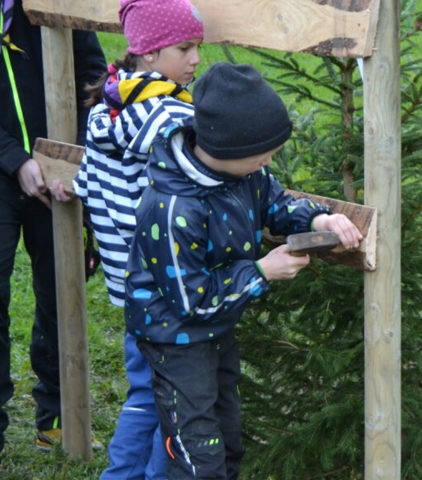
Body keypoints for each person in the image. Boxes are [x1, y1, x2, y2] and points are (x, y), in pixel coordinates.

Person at [125, 62, 363, 480]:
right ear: (227, 148)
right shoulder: (173, 209)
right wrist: (262, 271)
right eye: (262, 154)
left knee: (228, 437)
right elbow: (191, 301)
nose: (269, 160)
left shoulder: (246, 174)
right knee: (198, 453)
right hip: (175, 339)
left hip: (218, 329)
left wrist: (317, 219)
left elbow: (275, 204)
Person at [53, 0, 203, 478]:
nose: (196, 59)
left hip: (129, 285)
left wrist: (72, 187)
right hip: (169, 282)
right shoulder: (171, 118)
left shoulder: (107, 107)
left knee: (144, 390)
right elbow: (208, 178)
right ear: (151, 53)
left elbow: (90, 179)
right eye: (186, 48)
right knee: (172, 398)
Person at [0, 0, 105, 471]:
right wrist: (15, 160)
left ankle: (58, 411)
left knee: (62, 285)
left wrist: (70, 156)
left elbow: (92, 75)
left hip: (58, 169)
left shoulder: (53, 1)